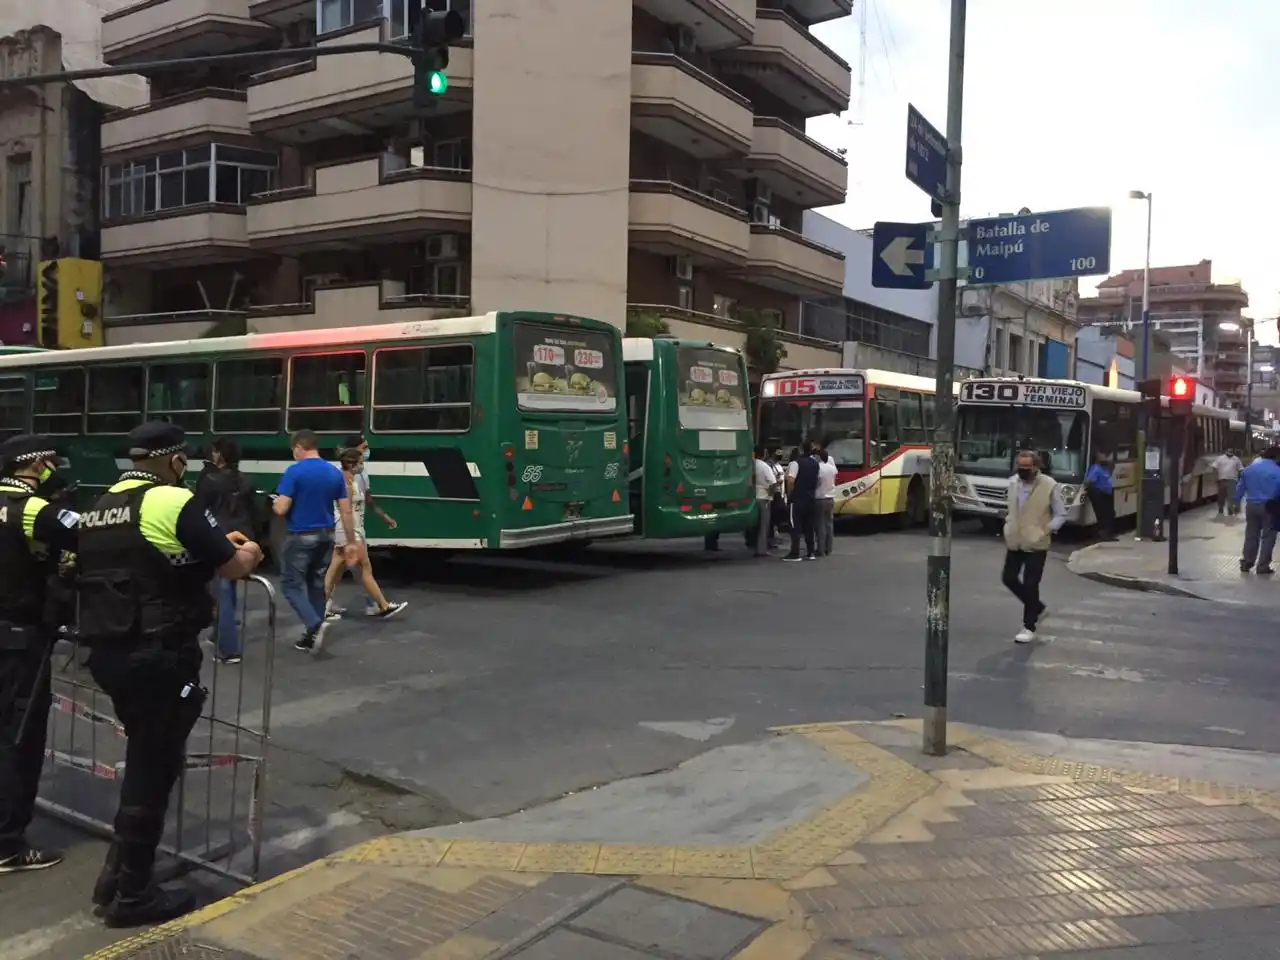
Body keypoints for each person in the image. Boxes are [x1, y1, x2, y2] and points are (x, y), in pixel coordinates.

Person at [77, 422, 262, 927]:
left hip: (109, 652)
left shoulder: (99, 505)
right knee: (153, 768)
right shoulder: (170, 499)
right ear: (176, 460)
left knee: (146, 759)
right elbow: (232, 565)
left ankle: (118, 877)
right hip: (158, 653)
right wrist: (246, 551)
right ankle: (133, 894)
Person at [0, 435, 79, 874]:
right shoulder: (33, 510)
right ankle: (8, 844)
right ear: (36, 465)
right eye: (50, 462)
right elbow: (89, 536)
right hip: (19, 638)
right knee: (19, 738)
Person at [274, 430, 356, 654]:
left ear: (299, 447)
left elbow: (281, 509)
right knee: (316, 583)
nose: (294, 455)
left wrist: (274, 502)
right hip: (327, 535)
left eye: (294, 451)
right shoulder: (333, 472)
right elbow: (346, 510)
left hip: (301, 535)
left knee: (291, 584)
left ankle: (314, 624)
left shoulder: (294, 472)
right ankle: (311, 638)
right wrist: (351, 541)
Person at [323, 448, 407, 620]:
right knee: (363, 567)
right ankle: (382, 605)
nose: (363, 466)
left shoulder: (352, 479)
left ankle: (321, 606)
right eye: (360, 463)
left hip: (353, 529)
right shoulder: (345, 482)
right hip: (348, 529)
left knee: (336, 571)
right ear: (351, 464)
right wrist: (352, 540)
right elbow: (345, 512)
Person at [194, 439, 256, 664]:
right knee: (229, 587)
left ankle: (228, 650)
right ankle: (218, 633)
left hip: (219, 537)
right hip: (243, 537)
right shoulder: (246, 480)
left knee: (221, 592)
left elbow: (199, 510)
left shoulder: (209, 479)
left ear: (219, 455)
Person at [1002, 450, 1067, 643]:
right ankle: (1037, 607)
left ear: (1036, 467)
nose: (1022, 471)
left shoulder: (1049, 485)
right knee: (1009, 578)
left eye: (1027, 467)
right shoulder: (1013, 482)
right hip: (1015, 539)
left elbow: (1061, 513)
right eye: (1020, 467)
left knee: (1031, 583)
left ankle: (1029, 625)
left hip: (1037, 542)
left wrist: (1046, 530)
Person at [1235, 445, 1280, 574]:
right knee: (1268, 536)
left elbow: (1240, 487)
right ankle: (1262, 566)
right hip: (1270, 506)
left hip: (1251, 505)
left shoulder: (1250, 468)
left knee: (1251, 534)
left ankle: (1247, 562)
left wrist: (1236, 501)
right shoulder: (1277, 471)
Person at [783, 442, 818, 562]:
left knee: (795, 526)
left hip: (797, 499)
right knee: (809, 526)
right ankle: (811, 552)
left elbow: (791, 480)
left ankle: (795, 553)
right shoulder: (815, 463)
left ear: (801, 450)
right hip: (811, 498)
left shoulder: (795, 463)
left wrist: (789, 494)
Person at [746, 446, 778, 556]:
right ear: (763, 454)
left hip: (752, 498)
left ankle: (752, 545)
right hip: (763, 498)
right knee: (764, 526)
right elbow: (773, 483)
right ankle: (761, 550)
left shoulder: (749, 465)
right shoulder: (764, 466)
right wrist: (771, 494)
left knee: (754, 525)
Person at [1082, 450, 1116, 542]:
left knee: (1111, 513)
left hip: (1107, 493)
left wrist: (1109, 461)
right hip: (1099, 493)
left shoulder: (1104, 468)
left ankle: (1107, 533)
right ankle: (1103, 534)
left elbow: (1112, 469)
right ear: (1097, 457)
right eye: (1102, 454)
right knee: (1104, 514)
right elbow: (1088, 482)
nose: (1105, 455)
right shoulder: (1095, 468)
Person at [814, 439, 838, 557]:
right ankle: (829, 548)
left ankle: (820, 549)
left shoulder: (818, 468)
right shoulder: (832, 468)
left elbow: (817, 482)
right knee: (829, 524)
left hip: (820, 498)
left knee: (820, 525)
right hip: (830, 497)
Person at [1212, 448, 1244, 517]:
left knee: (1231, 497)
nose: (1230, 452)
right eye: (1229, 451)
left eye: (1231, 451)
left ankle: (1230, 510)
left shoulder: (1236, 459)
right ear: (1226, 451)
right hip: (1221, 480)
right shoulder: (1220, 458)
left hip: (1232, 480)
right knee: (1221, 496)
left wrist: (1241, 479)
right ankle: (1220, 510)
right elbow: (1214, 467)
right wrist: (1215, 477)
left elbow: (1240, 469)